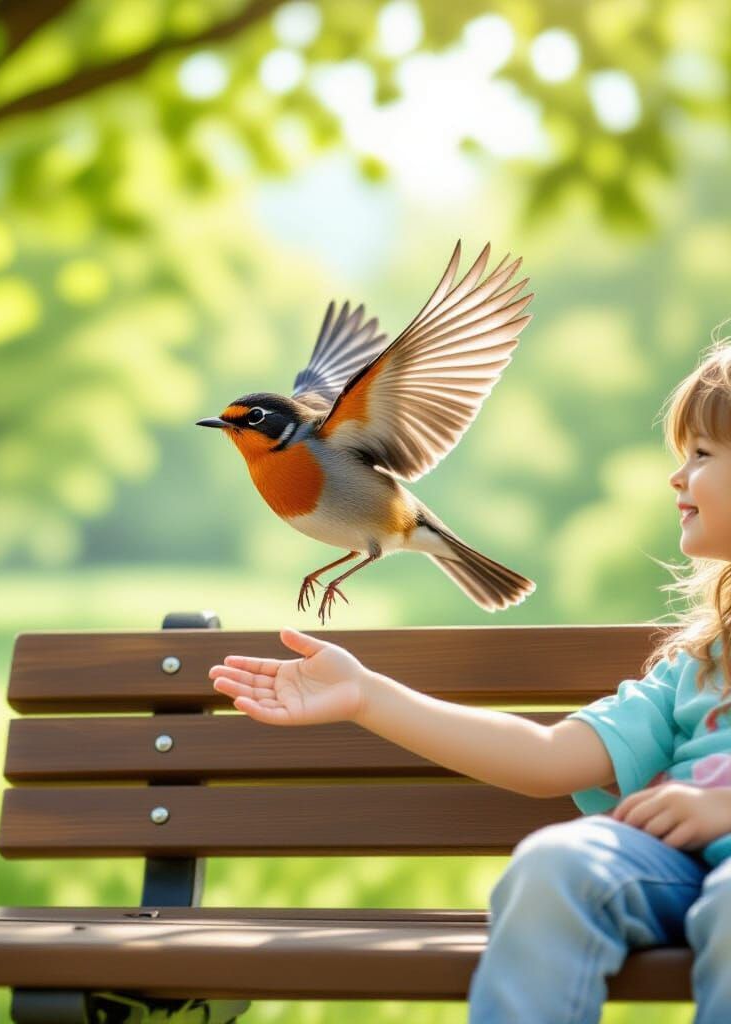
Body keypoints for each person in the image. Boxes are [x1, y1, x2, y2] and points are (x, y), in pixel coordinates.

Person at [210, 338, 731, 1023]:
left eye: (702, 454)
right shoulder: (700, 665)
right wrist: (366, 695)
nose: (675, 477)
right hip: (671, 870)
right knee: (555, 863)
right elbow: (548, 757)